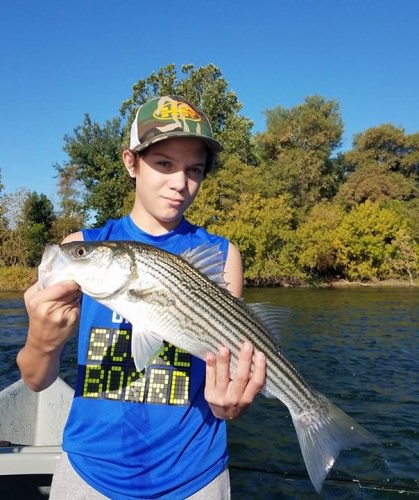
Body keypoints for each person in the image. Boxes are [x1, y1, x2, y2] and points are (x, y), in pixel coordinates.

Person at [18, 96, 267, 499]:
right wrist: (42, 341)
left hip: (194, 474)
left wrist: (229, 404)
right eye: (163, 164)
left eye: (195, 170)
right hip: (90, 471)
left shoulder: (223, 255)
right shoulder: (83, 246)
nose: (179, 183)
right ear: (131, 163)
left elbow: (226, 364)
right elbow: (35, 380)